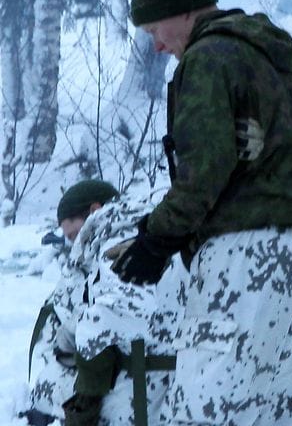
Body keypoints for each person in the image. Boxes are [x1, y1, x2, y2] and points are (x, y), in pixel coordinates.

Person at [113, 0, 292, 425]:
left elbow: (203, 170)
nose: (157, 43)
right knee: (274, 412)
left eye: (155, 28)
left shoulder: (208, 58)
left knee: (202, 413)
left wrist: (156, 239)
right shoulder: (270, 58)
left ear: (185, 11)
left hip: (243, 260)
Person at [26, 181, 184, 426]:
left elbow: (118, 310)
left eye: (74, 234)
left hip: (141, 386)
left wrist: (72, 333)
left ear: (94, 211)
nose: (76, 243)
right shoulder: (155, 228)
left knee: (47, 389)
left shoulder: (119, 234)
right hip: (161, 377)